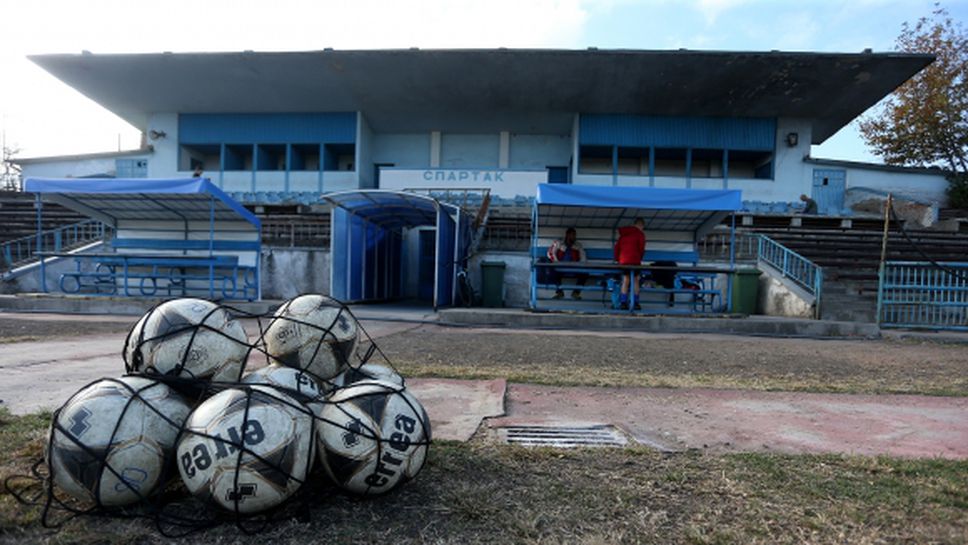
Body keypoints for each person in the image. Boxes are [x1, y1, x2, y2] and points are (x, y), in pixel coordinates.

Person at [546, 227, 587, 299]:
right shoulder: (558, 243)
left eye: (575, 235)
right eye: (572, 235)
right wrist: (556, 263)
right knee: (552, 271)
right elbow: (550, 253)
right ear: (567, 235)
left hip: (574, 268)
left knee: (585, 273)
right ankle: (559, 292)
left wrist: (580, 265)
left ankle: (576, 293)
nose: (574, 237)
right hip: (560, 268)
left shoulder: (578, 245)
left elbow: (583, 257)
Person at [614, 218, 646, 310]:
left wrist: (618, 259)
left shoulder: (624, 234)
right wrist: (639, 258)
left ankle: (623, 302)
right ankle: (635, 303)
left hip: (624, 261)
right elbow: (641, 248)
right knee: (636, 280)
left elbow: (617, 248)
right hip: (635, 261)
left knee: (625, 280)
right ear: (641, 225)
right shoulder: (640, 234)